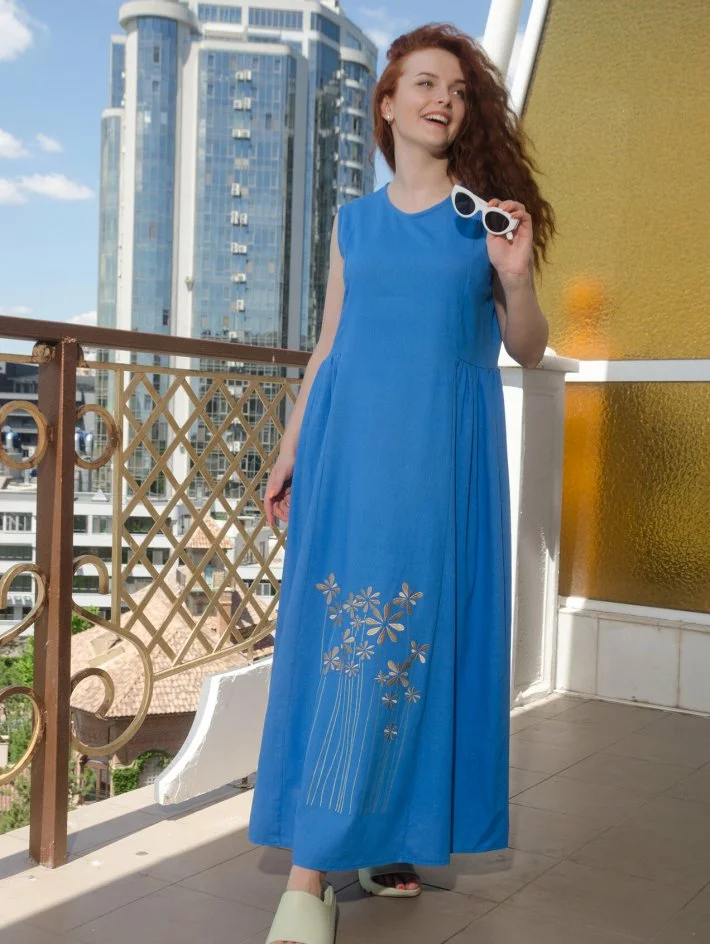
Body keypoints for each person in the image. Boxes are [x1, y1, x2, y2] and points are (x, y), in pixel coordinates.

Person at [248, 22, 555, 944]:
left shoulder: (482, 224)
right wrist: (290, 450)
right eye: (424, 83)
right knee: (342, 639)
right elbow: (328, 348)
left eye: (456, 90)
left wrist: (517, 277)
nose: (442, 99)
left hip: (435, 465)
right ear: (386, 104)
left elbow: (526, 348)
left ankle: (369, 841)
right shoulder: (352, 223)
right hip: (349, 458)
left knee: (408, 637)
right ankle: (314, 870)